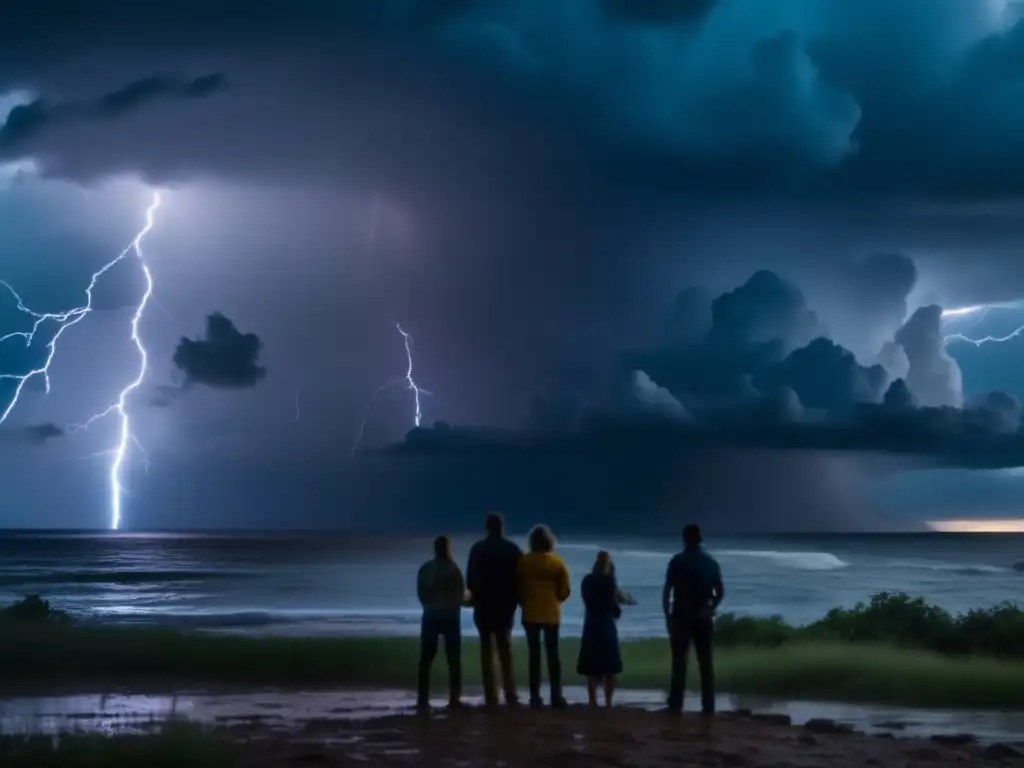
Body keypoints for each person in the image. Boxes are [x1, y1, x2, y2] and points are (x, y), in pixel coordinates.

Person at [662, 524, 724, 716]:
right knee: (706, 663)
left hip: (681, 615)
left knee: (679, 663)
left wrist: (667, 616)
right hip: (703, 616)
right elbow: (720, 592)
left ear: (684, 540)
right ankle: (708, 706)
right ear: (699, 540)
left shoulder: (677, 561)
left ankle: (676, 704)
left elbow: (667, 591)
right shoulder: (711, 562)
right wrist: (710, 607)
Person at [466, 511, 523, 707]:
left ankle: (491, 695)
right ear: (502, 527)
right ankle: (510, 694)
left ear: (487, 528)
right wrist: (516, 600)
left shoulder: (477, 549)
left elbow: (471, 581)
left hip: (483, 606)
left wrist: (478, 595)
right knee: (505, 650)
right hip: (505, 606)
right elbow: (520, 580)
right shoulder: (513, 550)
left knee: (486, 651)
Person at [518, 524, 571, 709]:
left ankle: (534, 696)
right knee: (553, 655)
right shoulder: (557, 562)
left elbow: (517, 587)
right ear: (550, 541)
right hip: (551, 613)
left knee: (534, 655)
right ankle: (556, 696)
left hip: (530, 612)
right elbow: (564, 592)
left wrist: (523, 600)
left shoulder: (524, 561)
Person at [416, 535, 468, 710]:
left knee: (426, 659)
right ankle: (454, 698)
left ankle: (423, 699)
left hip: (431, 615)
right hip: (450, 616)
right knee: (453, 659)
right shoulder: (453, 569)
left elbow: (421, 593)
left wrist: (429, 605)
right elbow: (460, 594)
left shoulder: (425, 568)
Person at [576, 550, 624, 707]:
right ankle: (608, 702)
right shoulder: (610, 582)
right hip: (606, 626)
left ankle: (592, 701)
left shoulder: (587, 581)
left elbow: (587, 601)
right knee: (610, 668)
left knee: (591, 669)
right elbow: (614, 610)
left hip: (590, 625)